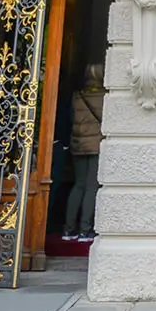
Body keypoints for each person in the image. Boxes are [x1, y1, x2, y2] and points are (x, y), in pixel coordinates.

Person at [63, 64, 104, 242]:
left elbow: (72, 117)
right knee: (91, 186)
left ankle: (68, 229)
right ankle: (85, 230)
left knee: (79, 185)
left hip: (78, 144)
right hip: (96, 145)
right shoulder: (104, 96)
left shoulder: (78, 95)